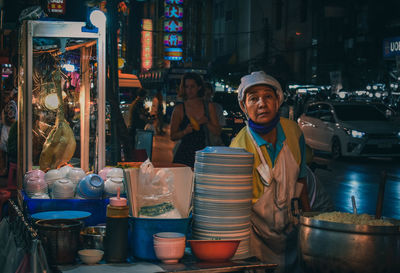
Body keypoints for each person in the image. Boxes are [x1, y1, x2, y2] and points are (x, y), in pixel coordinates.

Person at [229, 71, 310, 273]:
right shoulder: (238, 147)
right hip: (255, 241)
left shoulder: (294, 132)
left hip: (292, 234)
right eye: (253, 98)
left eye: (268, 96)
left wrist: (310, 229)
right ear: (243, 106)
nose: (261, 104)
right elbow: (234, 209)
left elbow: (301, 183)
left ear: (278, 100)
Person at [170, 72, 221, 168]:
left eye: (192, 86)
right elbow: (173, 136)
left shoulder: (208, 106)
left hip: (204, 154)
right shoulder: (179, 109)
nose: (189, 90)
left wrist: (206, 122)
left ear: (199, 87)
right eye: (186, 87)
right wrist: (185, 131)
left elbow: (217, 131)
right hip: (184, 155)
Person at [0, 89, 17, 176]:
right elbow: (11, 119)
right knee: (6, 153)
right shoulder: (12, 104)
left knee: (5, 153)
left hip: (7, 131)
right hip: (8, 131)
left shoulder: (11, 104)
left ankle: (5, 171)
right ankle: (5, 171)